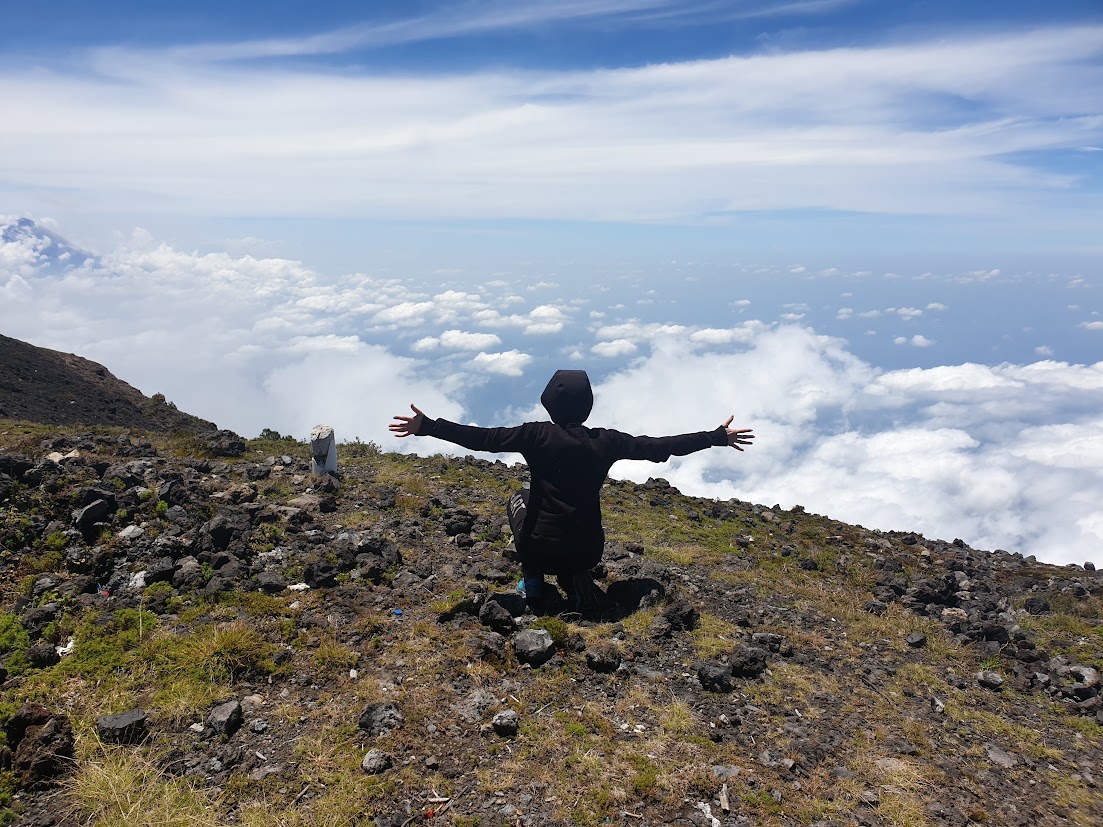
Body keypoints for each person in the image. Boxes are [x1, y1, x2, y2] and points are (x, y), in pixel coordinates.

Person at [390, 369, 754, 613]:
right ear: (587, 406)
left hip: (538, 547)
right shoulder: (607, 442)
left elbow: (483, 439)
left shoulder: (536, 435)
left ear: (549, 402)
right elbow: (658, 446)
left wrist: (428, 427)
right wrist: (715, 437)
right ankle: (575, 578)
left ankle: (533, 582)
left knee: (519, 497)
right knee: (566, 525)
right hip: (587, 553)